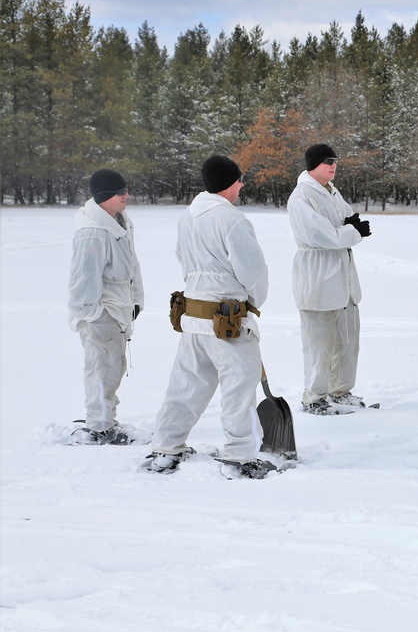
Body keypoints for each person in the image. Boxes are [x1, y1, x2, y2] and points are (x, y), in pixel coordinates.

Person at [148, 155, 272, 478]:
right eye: (240, 180)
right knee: (239, 386)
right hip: (227, 321)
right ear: (228, 183)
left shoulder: (188, 216)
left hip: (193, 317)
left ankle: (165, 447)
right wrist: (254, 303)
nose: (243, 185)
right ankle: (240, 457)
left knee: (186, 384)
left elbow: (181, 256)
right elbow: (253, 272)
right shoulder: (233, 220)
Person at [287, 144, 371, 415]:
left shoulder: (332, 191)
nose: (333, 165)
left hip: (343, 278)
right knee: (318, 343)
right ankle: (314, 398)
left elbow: (346, 220)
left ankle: (341, 391)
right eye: (326, 161)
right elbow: (323, 235)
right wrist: (351, 231)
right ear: (312, 165)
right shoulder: (302, 197)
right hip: (318, 276)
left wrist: (352, 226)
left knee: (347, 339)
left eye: (334, 161)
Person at [68, 169, 144, 444]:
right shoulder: (93, 234)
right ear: (104, 197)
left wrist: (136, 300)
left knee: (114, 367)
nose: (127, 196)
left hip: (118, 310)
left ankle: (104, 419)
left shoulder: (120, 221)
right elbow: (81, 284)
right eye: (120, 192)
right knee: (102, 369)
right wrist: (95, 315)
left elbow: (131, 267)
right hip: (101, 313)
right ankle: (99, 426)